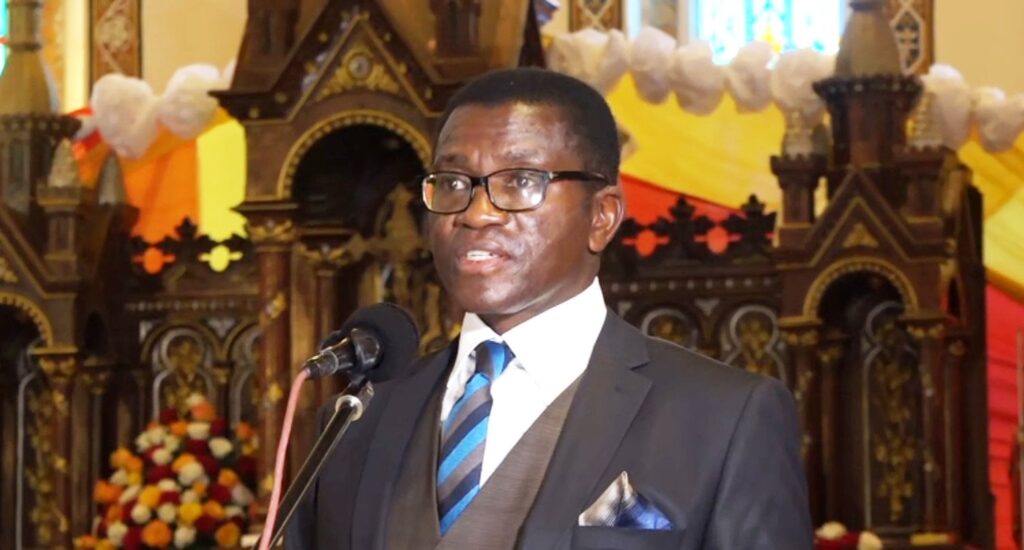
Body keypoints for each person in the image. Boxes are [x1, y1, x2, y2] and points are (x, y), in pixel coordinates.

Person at [287, 68, 813, 549]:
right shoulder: (355, 420)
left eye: (520, 181)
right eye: (453, 183)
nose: (477, 213)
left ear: (602, 216)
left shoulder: (724, 417)